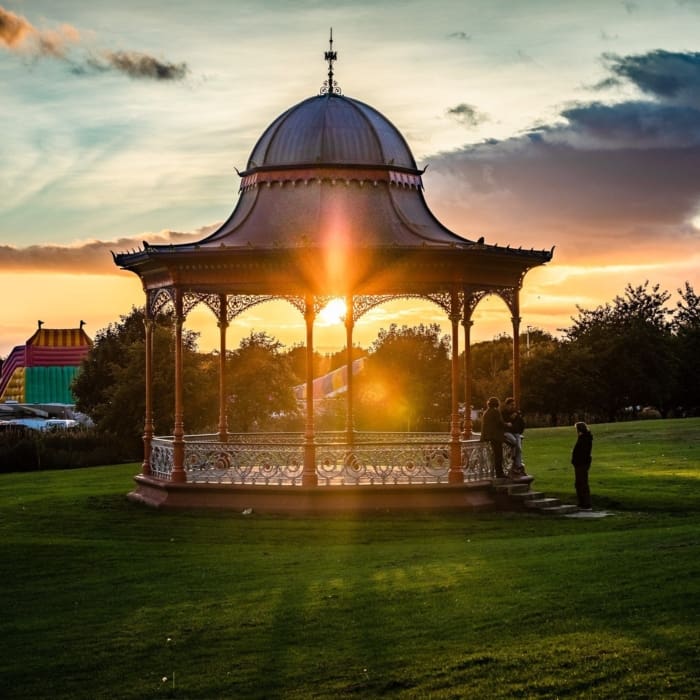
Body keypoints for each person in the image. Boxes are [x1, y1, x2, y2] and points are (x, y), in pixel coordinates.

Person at [480, 396, 507, 479]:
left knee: (495, 455)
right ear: (497, 404)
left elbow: (484, 426)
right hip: (496, 437)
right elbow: (500, 423)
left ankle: (496, 472)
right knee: (499, 455)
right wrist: (507, 425)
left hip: (489, 437)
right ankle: (500, 473)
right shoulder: (496, 412)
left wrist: (483, 437)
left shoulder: (486, 412)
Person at [571, 421, 593, 511]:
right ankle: (582, 503)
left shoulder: (584, 439)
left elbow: (582, 452)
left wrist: (576, 460)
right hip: (581, 463)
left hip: (581, 464)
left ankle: (586, 504)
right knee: (579, 483)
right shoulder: (585, 438)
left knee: (582, 483)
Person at [502, 397, 526, 478]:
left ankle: (518, 465)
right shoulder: (503, 413)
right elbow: (503, 423)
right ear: (507, 405)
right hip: (507, 432)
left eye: (514, 405)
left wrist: (520, 430)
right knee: (514, 442)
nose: (513, 406)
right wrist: (510, 419)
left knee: (519, 447)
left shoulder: (517, 413)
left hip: (516, 432)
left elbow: (521, 423)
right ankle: (513, 457)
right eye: (511, 405)